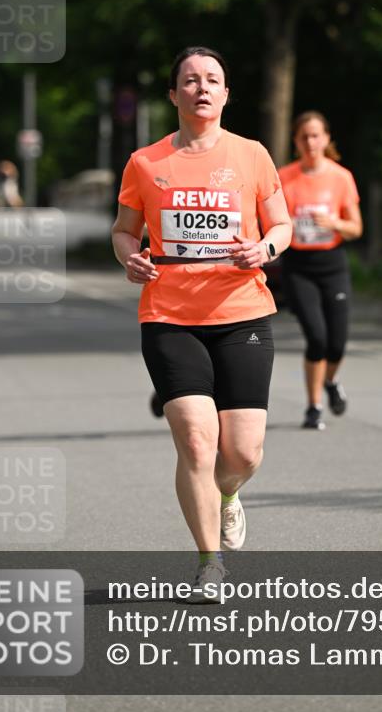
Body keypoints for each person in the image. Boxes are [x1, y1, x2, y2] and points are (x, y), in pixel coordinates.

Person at [111, 47, 291, 594]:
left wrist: (264, 249)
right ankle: (210, 561)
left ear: (227, 93)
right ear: (174, 94)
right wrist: (131, 256)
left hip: (242, 313)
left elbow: (280, 224)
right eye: (190, 80)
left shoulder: (252, 154)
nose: (202, 88)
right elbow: (123, 230)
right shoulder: (146, 162)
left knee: (242, 452)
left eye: (213, 79)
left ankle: (229, 495)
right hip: (169, 314)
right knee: (195, 440)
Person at [279, 112, 363, 430]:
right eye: (304, 137)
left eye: (316, 135)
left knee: (337, 344)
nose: (310, 142)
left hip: (333, 265)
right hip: (299, 267)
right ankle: (314, 407)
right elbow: (271, 221)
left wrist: (335, 223)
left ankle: (330, 381)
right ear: (296, 142)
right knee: (317, 338)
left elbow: (356, 228)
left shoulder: (341, 177)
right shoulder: (284, 177)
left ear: (327, 138)